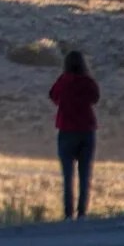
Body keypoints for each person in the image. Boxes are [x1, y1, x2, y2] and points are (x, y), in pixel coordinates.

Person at [49, 48, 100, 220]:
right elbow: (95, 98)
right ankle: (82, 213)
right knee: (85, 176)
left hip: (66, 132)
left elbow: (53, 95)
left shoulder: (63, 81)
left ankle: (68, 214)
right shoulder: (87, 81)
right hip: (87, 131)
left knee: (68, 177)